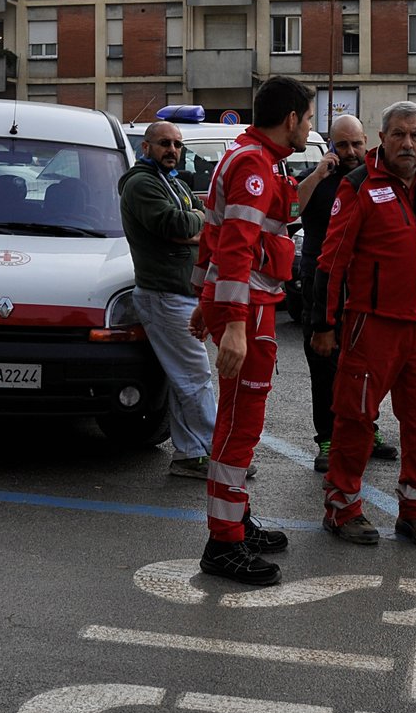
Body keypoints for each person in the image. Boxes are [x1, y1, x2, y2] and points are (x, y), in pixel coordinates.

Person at [311, 101, 416, 550]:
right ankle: (342, 508)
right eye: (398, 135)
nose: (407, 143)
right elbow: (330, 264)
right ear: (382, 138)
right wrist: (324, 325)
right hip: (371, 326)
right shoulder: (359, 187)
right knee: (355, 419)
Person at [194, 76, 315, 585]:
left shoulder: (255, 158)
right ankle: (223, 544)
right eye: (308, 118)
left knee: (239, 421)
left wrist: (205, 302)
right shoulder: (253, 165)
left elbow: (214, 234)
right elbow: (236, 248)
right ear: (290, 119)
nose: (310, 126)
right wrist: (236, 327)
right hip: (253, 309)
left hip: (247, 305)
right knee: (239, 426)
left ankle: (235, 521)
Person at [295, 115, 398, 472]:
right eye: (343, 145)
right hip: (319, 282)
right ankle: (327, 438)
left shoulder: (374, 178)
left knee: (365, 364)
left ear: (367, 140)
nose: (351, 151)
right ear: (330, 147)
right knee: (323, 364)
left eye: (356, 144)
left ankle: (367, 429)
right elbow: (292, 209)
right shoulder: (318, 178)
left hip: (362, 284)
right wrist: (320, 173)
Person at [118, 120, 219, 478]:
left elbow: (191, 223)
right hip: (164, 295)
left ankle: (192, 454)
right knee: (195, 376)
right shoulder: (143, 184)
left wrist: (193, 223)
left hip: (178, 294)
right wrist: (197, 222)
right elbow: (176, 226)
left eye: (177, 144)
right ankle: (216, 455)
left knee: (185, 376)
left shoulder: (171, 181)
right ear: (146, 147)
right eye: (164, 143)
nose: (172, 150)